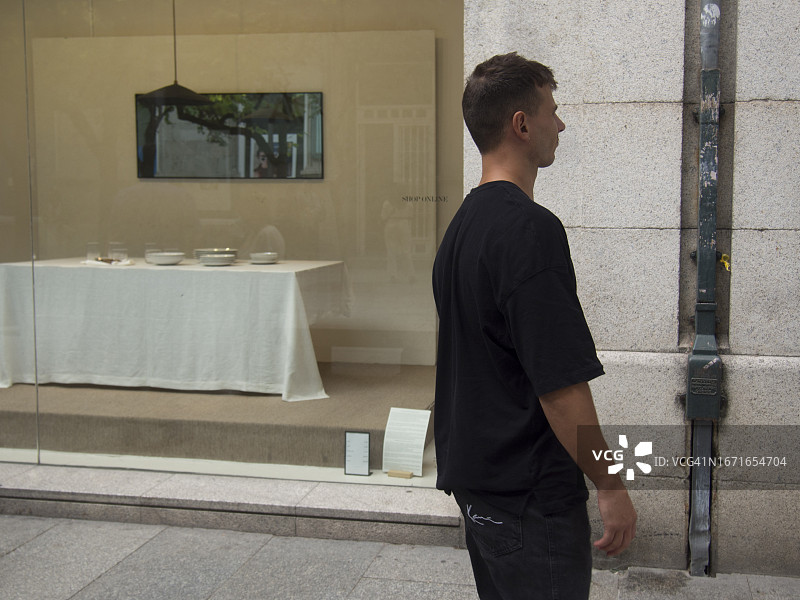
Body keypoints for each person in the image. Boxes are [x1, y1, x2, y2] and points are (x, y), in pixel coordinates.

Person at [432, 52, 637, 600]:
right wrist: (609, 482)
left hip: (481, 488)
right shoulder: (529, 230)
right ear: (521, 125)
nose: (561, 125)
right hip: (529, 496)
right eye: (553, 111)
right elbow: (560, 385)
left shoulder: (461, 228)